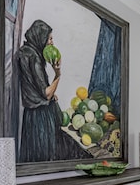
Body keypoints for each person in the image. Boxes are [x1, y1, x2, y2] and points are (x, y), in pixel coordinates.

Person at [16, 19, 87, 162]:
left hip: (31, 115)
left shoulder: (25, 52)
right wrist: (58, 73)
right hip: (40, 116)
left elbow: (32, 85)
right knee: (47, 156)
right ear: (41, 37)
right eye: (49, 38)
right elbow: (46, 93)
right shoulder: (34, 58)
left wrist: (47, 94)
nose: (52, 42)